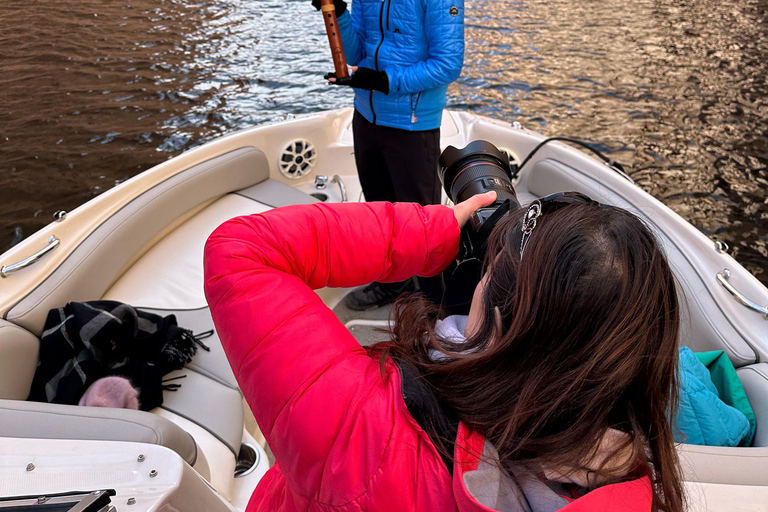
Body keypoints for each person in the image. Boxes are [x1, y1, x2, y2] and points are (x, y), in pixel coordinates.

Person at [203, 192, 684, 512]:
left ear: (499, 322)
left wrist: (432, 231)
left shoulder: (361, 427)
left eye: (489, 271)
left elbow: (240, 249)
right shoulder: (634, 488)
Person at [312, 0, 464, 309]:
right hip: (366, 116)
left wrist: (385, 82)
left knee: (422, 222)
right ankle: (393, 282)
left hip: (413, 123)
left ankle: (438, 307)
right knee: (380, 210)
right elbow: (356, 54)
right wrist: (339, 12)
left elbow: (447, 64)